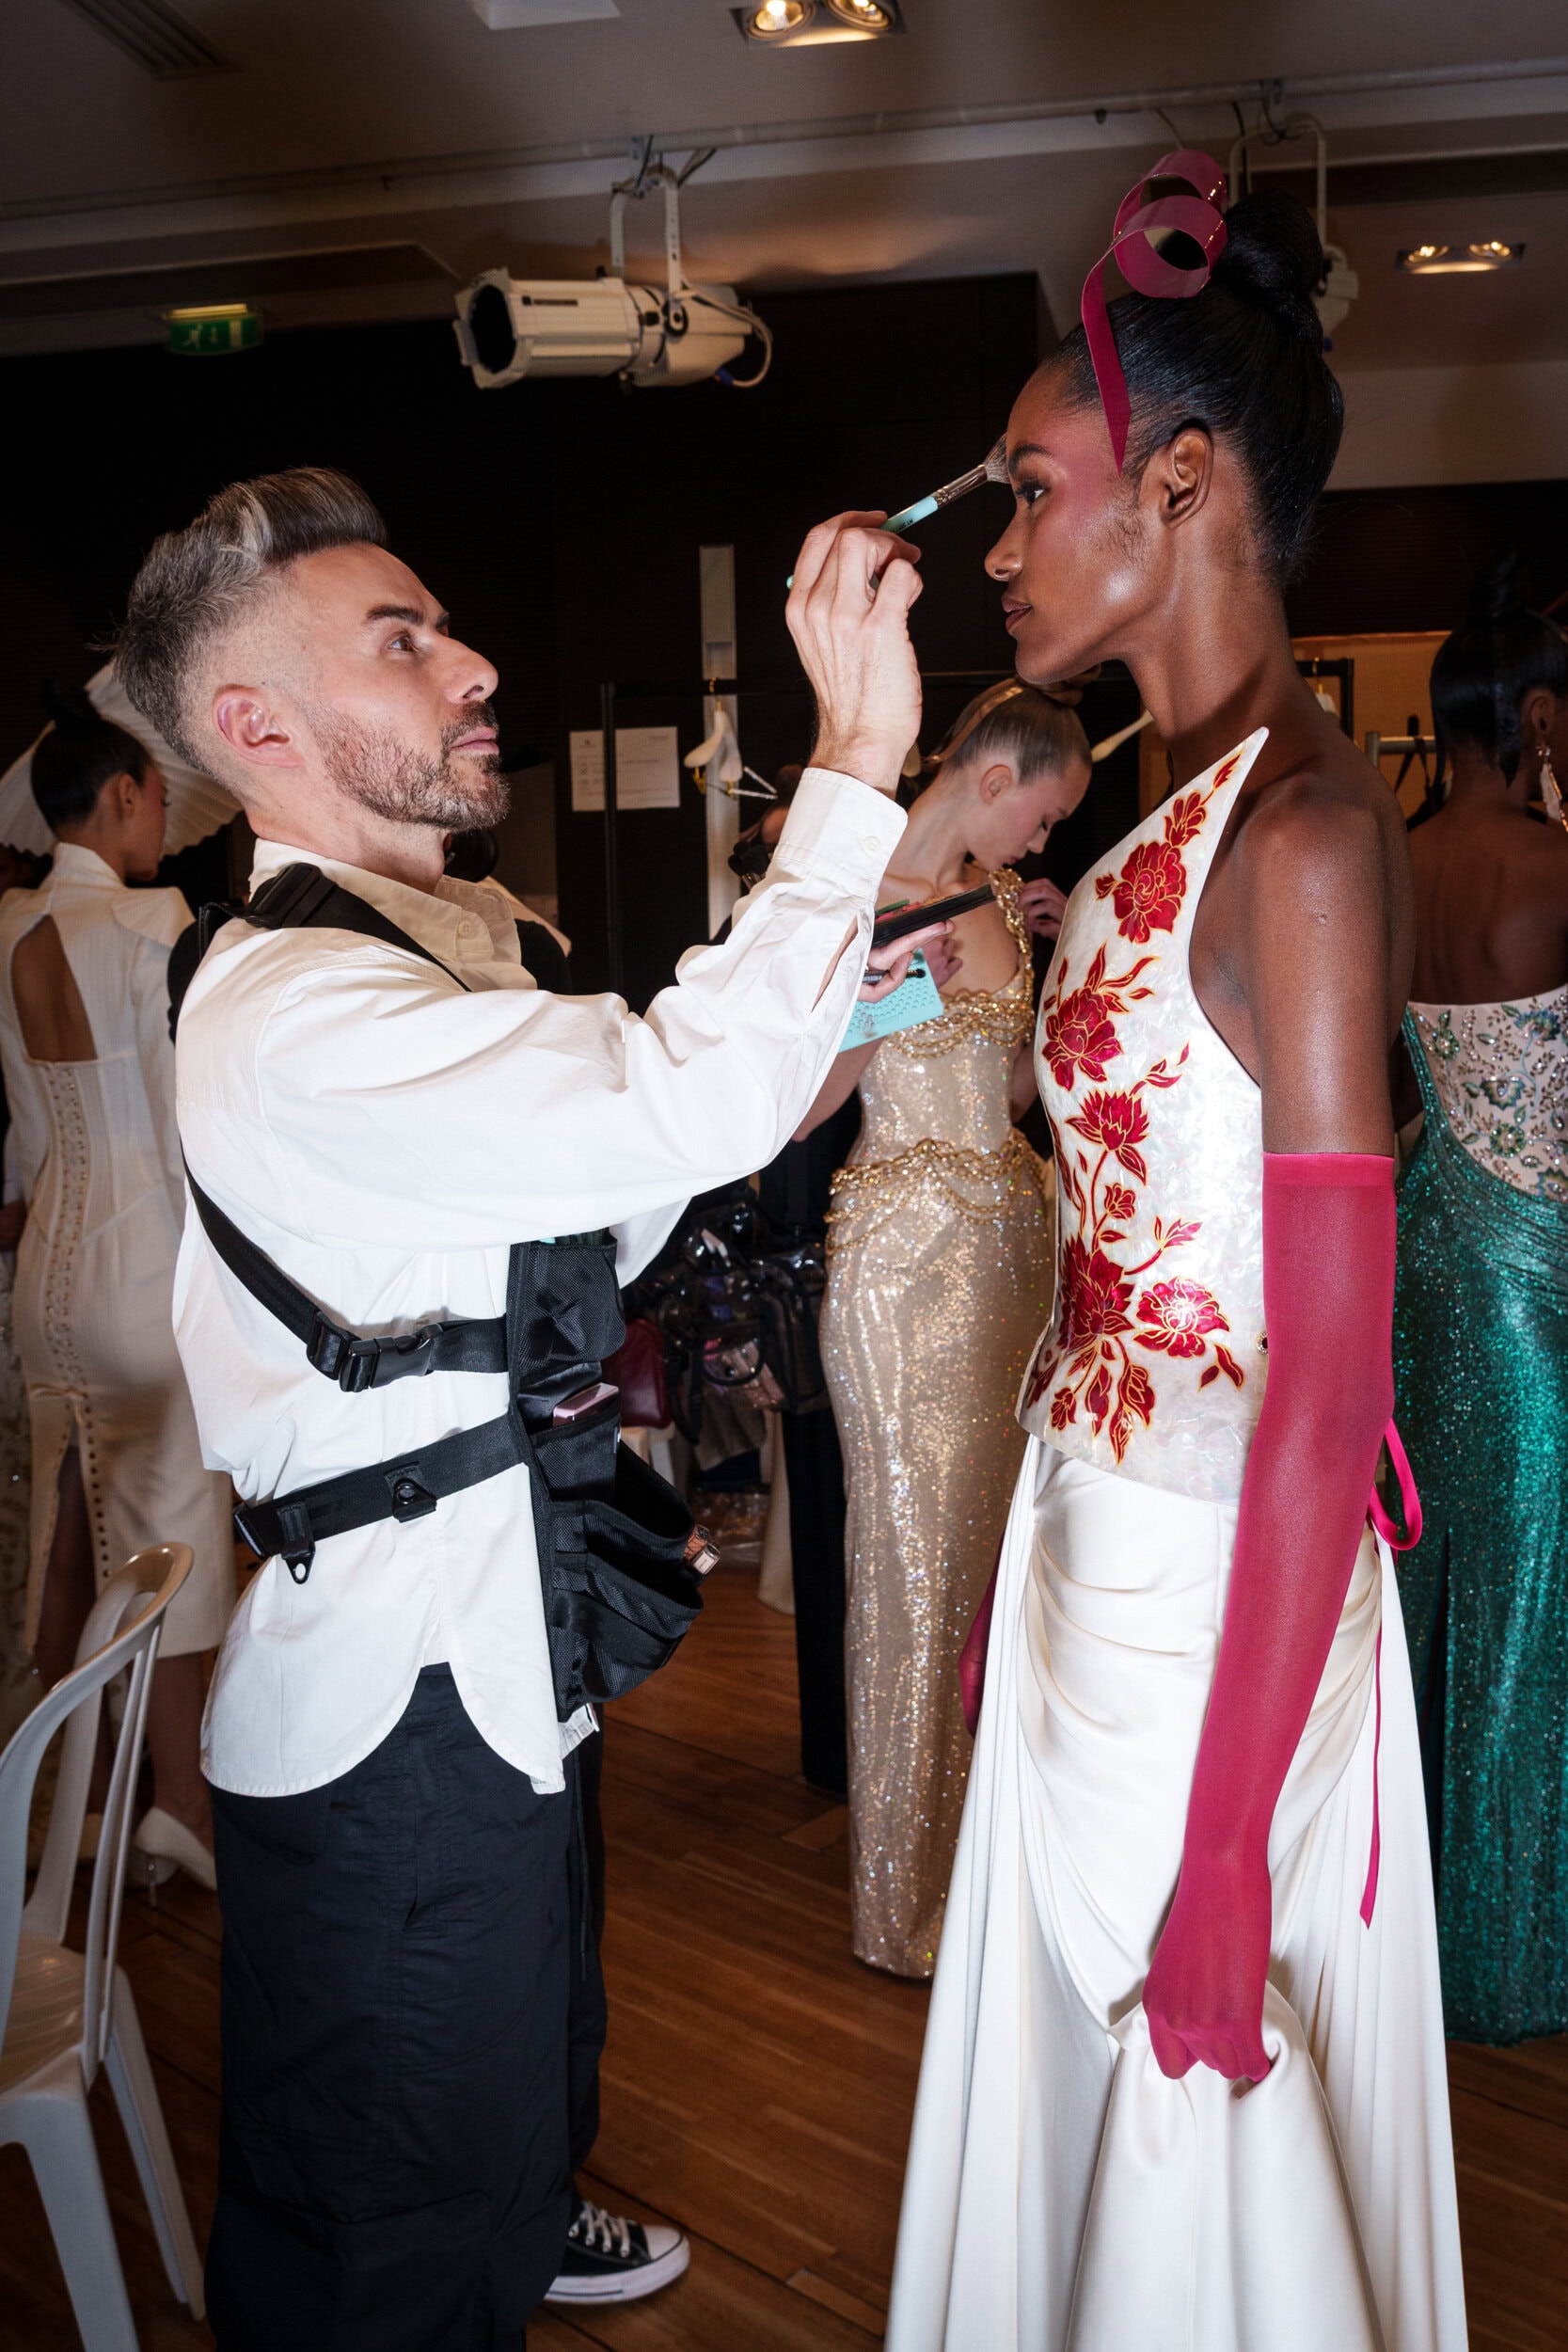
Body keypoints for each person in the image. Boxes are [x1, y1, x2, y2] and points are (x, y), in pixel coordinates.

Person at [113, 467, 940, 2349]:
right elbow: (659, 1108)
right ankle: (443, 2238)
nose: (474, 661)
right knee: (374, 2210)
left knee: (514, 2028)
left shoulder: (417, 948)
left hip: (497, 1618)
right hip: (393, 1686)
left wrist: (803, 1056)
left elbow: (599, 1196)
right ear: (258, 730)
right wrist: (856, 757)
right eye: (403, 642)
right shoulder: (295, 1010)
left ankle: (501, 2198)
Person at [887, 157, 1465, 2349]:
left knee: (1193, 2150)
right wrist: (1029, 1559)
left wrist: (1228, 1848)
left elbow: (1331, 1383)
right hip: (1100, 1556)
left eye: (1034, 491)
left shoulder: (1305, 833)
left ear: (1189, 481)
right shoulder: (1160, 805)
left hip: (1219, 1590)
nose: (1005, 547)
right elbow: (1128, 1222)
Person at [800, 680, 1086, 1975]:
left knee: (979, 1574)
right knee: (913, 1574)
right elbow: (804, 1110)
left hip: (999, 1258)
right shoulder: (899, 906)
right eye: (1043, 813)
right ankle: (901, 1898)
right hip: (910, 1270)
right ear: (991, 775)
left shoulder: (973, 901)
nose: (1040, 840)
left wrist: (1052, 959)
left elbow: (1008, 1094)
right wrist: (867, 987)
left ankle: (970, 1865)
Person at [0, 688, 234, 1881]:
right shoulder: (153, 922)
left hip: (47, 1276)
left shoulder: (10, 928)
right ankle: (182, 1806)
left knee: (65, 1541)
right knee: (173, 1536)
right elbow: (189, 1131)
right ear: (126, 797)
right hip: (148, 1266)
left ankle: (66, 1810)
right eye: (153, 801)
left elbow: (31, 1147)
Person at [1393, 569, 1568, 2044]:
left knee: (1437, 1581)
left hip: (1430, 1242)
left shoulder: (1393, 865)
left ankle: (1410, 1916)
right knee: (1529, 1600)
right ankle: (1507, 1944)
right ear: (1529, 717)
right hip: (1536, 1262)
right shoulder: (1551, 867)